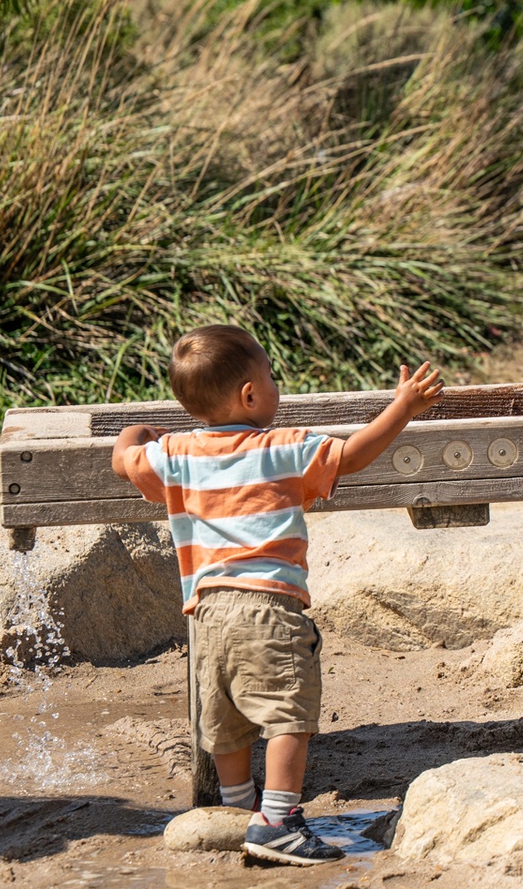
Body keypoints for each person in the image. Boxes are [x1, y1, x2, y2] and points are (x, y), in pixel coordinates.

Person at [111, 325, 443, 865]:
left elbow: (124, 462)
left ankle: (240, 808)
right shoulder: (283, 448)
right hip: (269, 606)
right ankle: (281, 818)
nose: (274, 387)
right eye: (270, 377)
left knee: (225, 714)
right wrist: (402, 406)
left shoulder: (173, 453)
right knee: (289, 710)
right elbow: (353, 455)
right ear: (249, 394)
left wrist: (133, 432)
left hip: (206, 611)